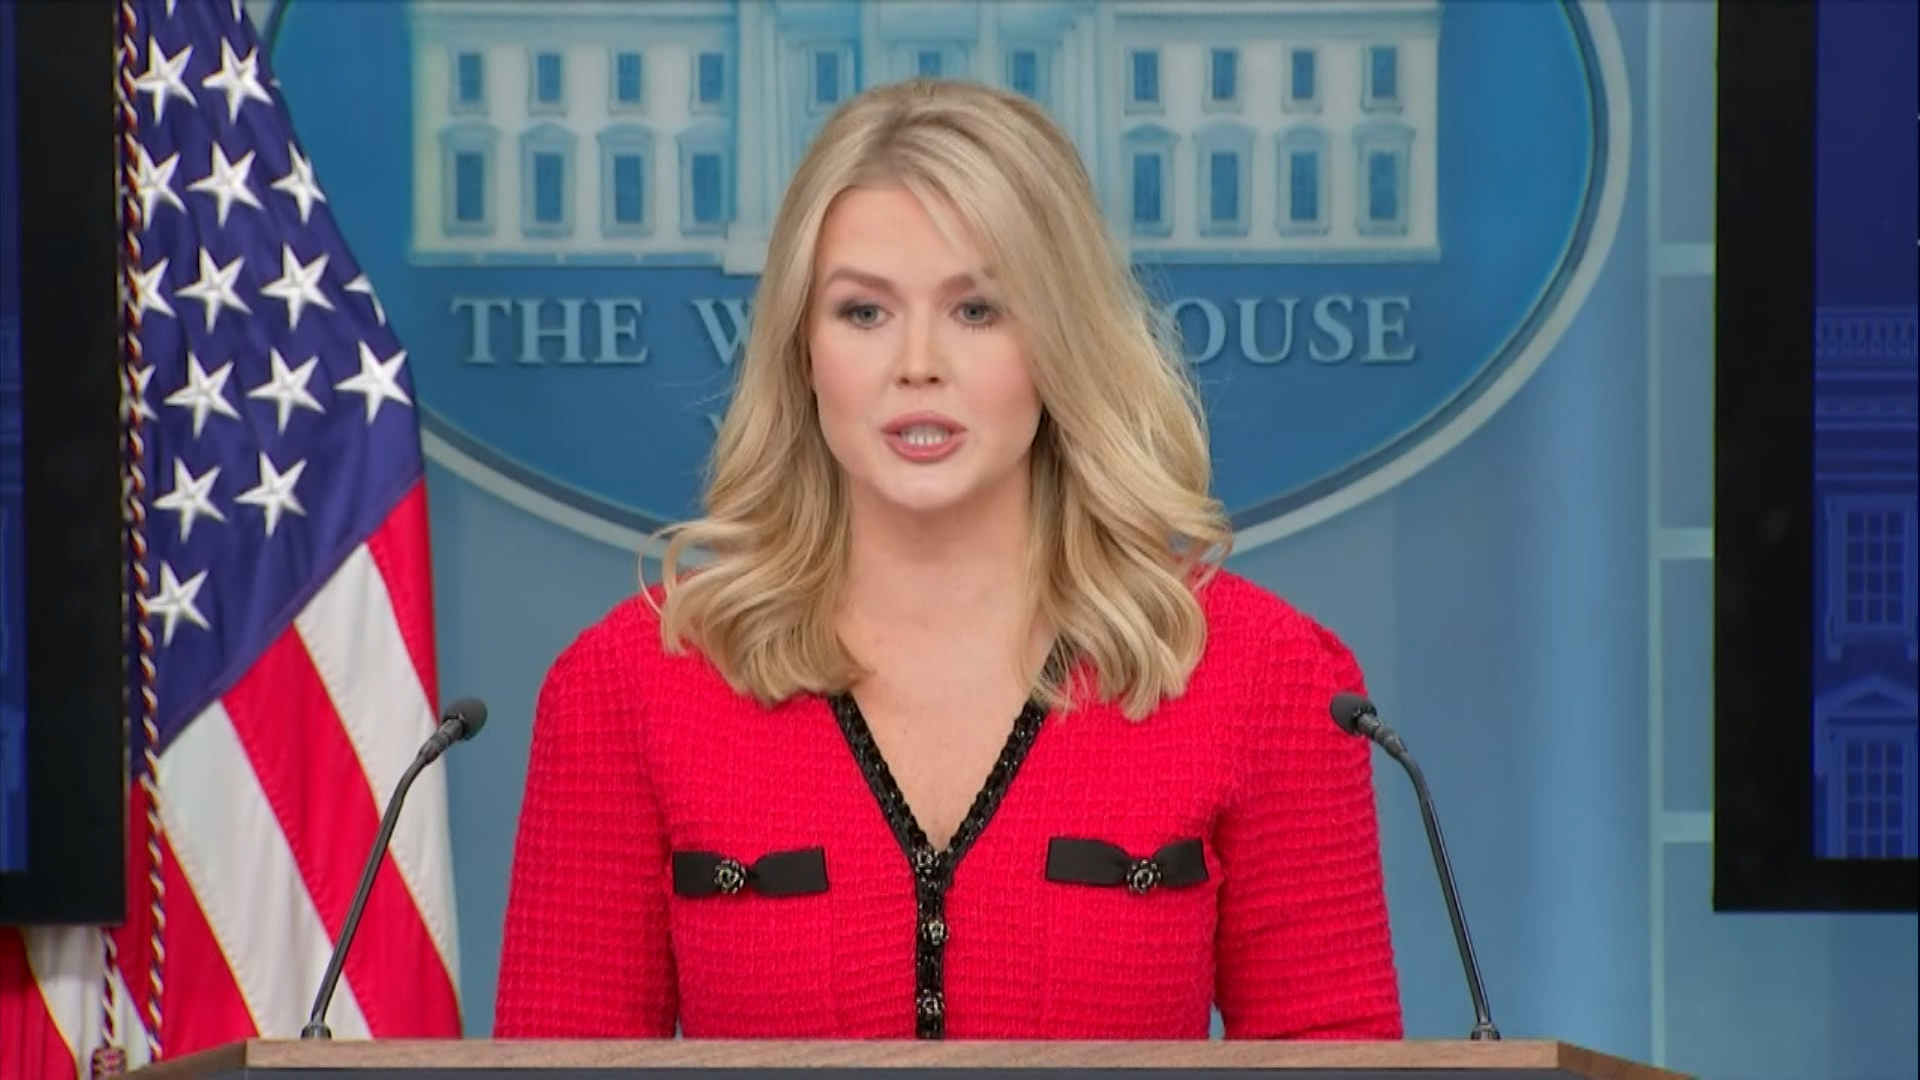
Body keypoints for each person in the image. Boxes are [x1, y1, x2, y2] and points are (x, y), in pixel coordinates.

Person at [492, 77, 1403, 1041]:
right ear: (801, 350)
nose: (918, 363)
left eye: (976, 310)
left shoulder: (1268, 677)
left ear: (1059, 342)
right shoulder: (625, 687)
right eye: (863, 312)